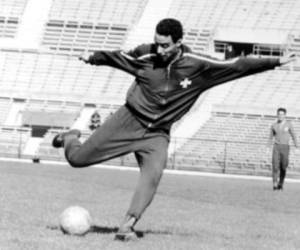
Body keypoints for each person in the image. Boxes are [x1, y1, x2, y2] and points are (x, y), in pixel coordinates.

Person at [52, 18, 295, 241]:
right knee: (77, 159)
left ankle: (127, 226)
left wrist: (273, 62)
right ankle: (71, 137)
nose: (159, 50)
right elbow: (116, 57)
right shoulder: (145, 56)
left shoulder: (198, 65)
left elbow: (237, 65)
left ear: (179, 43)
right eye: (157, 44)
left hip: (157, 135)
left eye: (165, 45)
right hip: (128, 121)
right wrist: (93, 57)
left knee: (153, 176)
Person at [268, 108, 298, 190]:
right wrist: (268, 147)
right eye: (279, 114)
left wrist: (297, 147)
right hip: (276, 147)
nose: (280, 116)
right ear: (277, 115)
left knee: (283, 166)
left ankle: (281, 183)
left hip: (285, 147)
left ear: (285, 115)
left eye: (282, 114)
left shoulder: (289, 125)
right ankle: (274, 183)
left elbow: (294, 136)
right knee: (275, 166)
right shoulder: (274, 125)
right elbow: (270, 137)